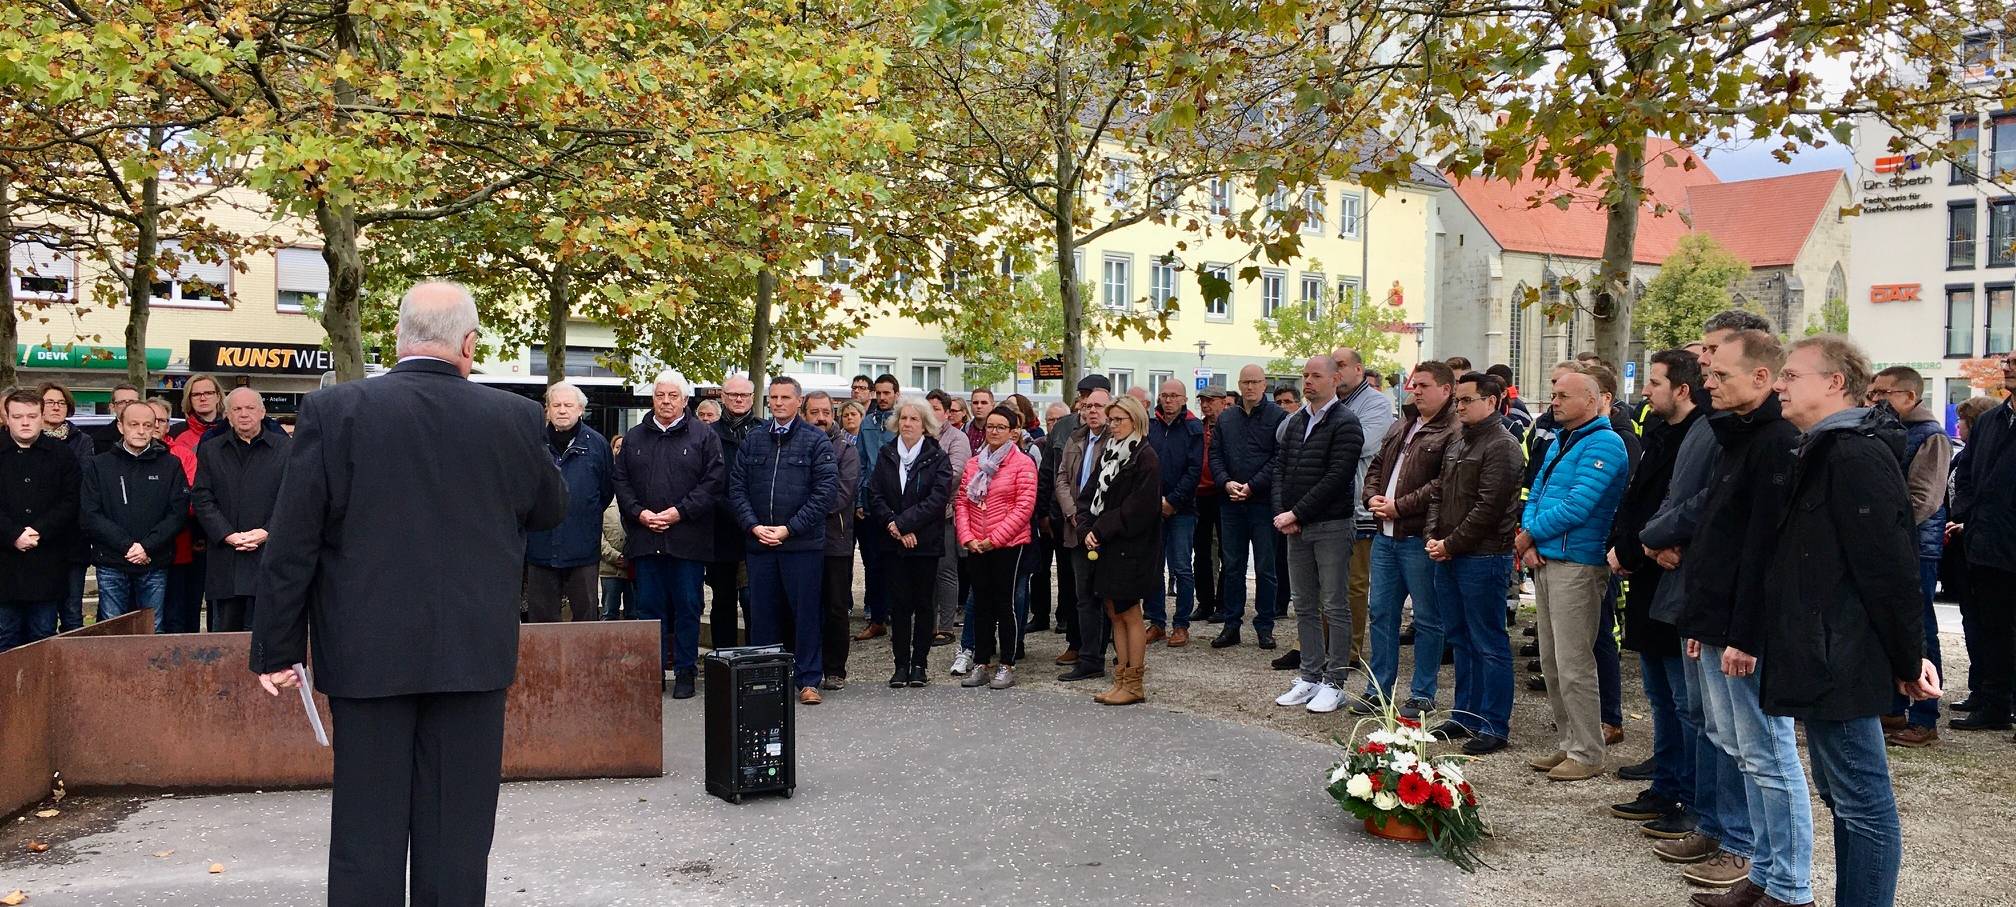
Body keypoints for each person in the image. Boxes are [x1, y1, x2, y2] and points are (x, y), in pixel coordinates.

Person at [251, 282, 567, 907]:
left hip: (366, 653)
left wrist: (277, 648)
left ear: (397, 338)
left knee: (366, 829)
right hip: (471, 653)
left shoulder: (335, 412)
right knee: (457, 833)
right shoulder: (513, 416)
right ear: (469, 345)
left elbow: (293, 542)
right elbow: (551, 509)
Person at [1751, 335, 1933, 907]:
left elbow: (1889, 567)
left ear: (1834, 383)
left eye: (1792, 376)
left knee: (1865, 806)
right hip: (1823, 651)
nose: (1779, 385)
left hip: (1843, 656)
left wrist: (1909, 659)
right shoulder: (1825, 446)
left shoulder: (1854, 452)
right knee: (1844, 797)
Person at [1682, 328, 1811, 905]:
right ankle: (1763, 873)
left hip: (1746, 630)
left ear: (1762, 378)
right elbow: (1718, 537)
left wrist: (1743, 634)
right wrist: (1701, 624)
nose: (1707, 380)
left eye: (1721, 374)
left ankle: (1789, 885)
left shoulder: (1777, 442)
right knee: (1741, 750)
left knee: (1770, 756)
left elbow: (1765, 551)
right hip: (1718, 622)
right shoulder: (1737, 437)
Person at [1603, 350, 1708, 832]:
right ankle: (1666, 783)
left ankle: (1686, 795)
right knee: (1660, 694)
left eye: (1656, 383)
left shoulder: (1702, 435)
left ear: (1682, 390)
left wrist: (1649, 546)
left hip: (1676, 579)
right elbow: (1640, 499)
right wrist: (1630, 548)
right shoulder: (1661, 433)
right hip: (1648, 574)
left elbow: (1686, 506)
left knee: (1685, 701)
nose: (1646, 391)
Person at [1517, 367, 1628, 783]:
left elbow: (1579, 506)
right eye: (1553, 394)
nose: (1554, 402)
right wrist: (1529, 539)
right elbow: (1538, 493)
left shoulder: (1607, 443)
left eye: (1564, 395)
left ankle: (1587, 751)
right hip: (1549, 558)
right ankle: (1568, 743)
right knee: (1552, 660)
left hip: (1578, 564)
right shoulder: (1564, 440)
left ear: (1591, 400)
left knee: (1575, 661)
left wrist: (1528, 536)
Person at [1423, 371, 1523, 755]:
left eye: (1467, 400)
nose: (1460, 407)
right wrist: (1434, 537)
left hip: (1483, 557)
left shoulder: (1502, 445)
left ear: (1492, 401)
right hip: (1449, 554)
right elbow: (1438, 494)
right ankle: (1464, 714)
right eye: (1458, 401)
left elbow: (1489, 507)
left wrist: (1450, 543)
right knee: (1460, 639)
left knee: (1489, 642)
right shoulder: (1457, 441)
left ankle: (1494, 723)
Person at [730, 376, 840, 706]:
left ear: (798, 401)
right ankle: (766, 680)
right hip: (760, 544)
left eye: (784, 398)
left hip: (801, 546)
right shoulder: (754, 439)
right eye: (773, 397)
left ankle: (808, 680)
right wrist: (753, 526)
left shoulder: (815, 441)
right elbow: (737, 488)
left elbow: (824, 495)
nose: (777, 403)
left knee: (805, 614)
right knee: (762, 614)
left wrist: (789, 529)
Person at [614, 372, 723, 699]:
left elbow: (714, 483)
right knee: (649, 610)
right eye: (660, 395)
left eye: (673, 396)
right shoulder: (634, 438)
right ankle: (653, 673)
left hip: (687, 540)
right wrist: (639, 513)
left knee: (688, 607)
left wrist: (680, 512)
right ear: (652, 399)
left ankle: (686, 672)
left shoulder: (704, 436)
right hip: (646, 540)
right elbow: (621, 482)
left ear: (685, 400)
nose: (666, 401)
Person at [1358, 361, 1458, 716]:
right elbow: (1376, 467)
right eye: (1414, 385)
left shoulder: (1453, 431)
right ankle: (1378, 689)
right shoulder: (1403, 424)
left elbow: (1443, 484)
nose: (1415, 390)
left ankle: (1423, 692)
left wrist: (1399, 506)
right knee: (1381, 613)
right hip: (1385, 536)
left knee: (1428, 618)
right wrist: (1372, 498)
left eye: (1424, 386)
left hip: (1418, 536)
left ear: (1446, 390)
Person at [1270, 355, 1367, 713]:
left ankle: (1335, 681)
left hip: (1330, 526)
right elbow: (1281, 468)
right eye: (1304, 375)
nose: (1307, 382)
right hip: (1296, 526)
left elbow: (1337, 477)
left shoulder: (1346, 423)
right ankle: (1309, 675)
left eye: (1315, 376)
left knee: (1335, 604)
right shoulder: (1297, 423)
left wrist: (1297, 512)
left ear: (1335, 379)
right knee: (1304, 603)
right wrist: (1285, 513)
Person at [1866, 367, 1952, 748]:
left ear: (1909, 395)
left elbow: (1924, 499)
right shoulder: (1884, 429)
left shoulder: (1930, 435)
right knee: (1888, 624)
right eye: (1872, 393)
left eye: (1883, 393)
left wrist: (1886, 531)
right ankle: (1893, 706)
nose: (1875, 399)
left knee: (1920, 630)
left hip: (1916, 545)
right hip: (1890, 543)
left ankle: (1924, 717)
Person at [1078, 394, 1163, 705]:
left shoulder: (1145, 456)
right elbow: (1088, 496)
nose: (1112, 425)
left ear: (1135, 420)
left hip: (1131, 546)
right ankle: (1121, 679)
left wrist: (1100, 530)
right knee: (1114, 612)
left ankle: (1134, 682)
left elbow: (1138, 509)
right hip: (1106, 544)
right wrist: (1086, 528)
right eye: (1111, 420)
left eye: (1118, 420)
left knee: (1130, 612)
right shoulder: (1110, 452)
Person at [865, 397, 952, 687]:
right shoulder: (887, 453)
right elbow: (875, 495)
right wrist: (894, 526)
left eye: (914, 419)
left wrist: (904, 524)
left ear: (925, 425)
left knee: (924, 605)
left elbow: (937, 499)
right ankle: (900, 665)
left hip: (924, 543)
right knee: (899, 606)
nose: (908, 424)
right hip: (893, 543)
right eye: (904, 418)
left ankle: (920, 665)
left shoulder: (937, 456)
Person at [1951, 349, 2016, 736]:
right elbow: (1969, 473)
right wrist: (1968, 517)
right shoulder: (1993, 420)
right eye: (2007, 360)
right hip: (1989, 547)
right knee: (1992, 628)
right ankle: (1993, 702)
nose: (2007, 366)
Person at [191, 388, 290, 633]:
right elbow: (202, 498)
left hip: (269, 556)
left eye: (250, 408)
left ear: (263, 412)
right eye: (237, 409)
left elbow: (292, 499)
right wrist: (227, 535)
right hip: (226, 559)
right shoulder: (211, 450)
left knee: (269, 640)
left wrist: (267, 532)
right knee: (225, 639)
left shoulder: (286, 449)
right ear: (228, 415)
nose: (244, 414)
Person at [955, 406, 1038, 689]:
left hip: (1007, 545)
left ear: (1013, 432)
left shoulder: (1023, 463)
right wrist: (967, 537)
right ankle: (981, 663)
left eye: (1001, 427)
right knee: (980, 604)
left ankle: (1007, 664)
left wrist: (996, 538)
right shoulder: (974, 463)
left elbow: (1023, 507)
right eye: (990, 426)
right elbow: (963, 503)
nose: (994, 431)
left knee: (1006, 604)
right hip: (977, 543)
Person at [81, 402, 187, 620]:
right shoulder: (99, 465)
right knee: (113, 628)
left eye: (147, 425)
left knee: (152, 627)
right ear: (121, 426)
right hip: (111, 560)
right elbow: (90, 513)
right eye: (134, 424)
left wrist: (147, 547)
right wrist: (126, 546)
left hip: (153, 560)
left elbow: (177, 513)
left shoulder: (171, 464)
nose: (141, 430)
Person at [523, 382, 614, 624]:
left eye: (568, 405)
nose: (562, 410)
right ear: (547, 410)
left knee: (585, 620)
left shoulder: (597, 446)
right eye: (556, 405)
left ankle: (585, 664)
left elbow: (605, 492)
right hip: (540, 548)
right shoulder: (532, 443)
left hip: (583, 550)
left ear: (581, 410)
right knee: (541, 622)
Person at [1210, 364, 1285, 649]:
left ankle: (1265, 626)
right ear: (1239, 385)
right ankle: (1232, 625)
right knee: (1232, 566)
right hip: (1230, 503)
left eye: (1255, 382)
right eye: (1245, 382)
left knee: (1266, 567)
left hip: (1263, 503)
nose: (1250, 387)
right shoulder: (1226, 418)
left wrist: (1253, 485)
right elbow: (1215, 455)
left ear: (1264, 384)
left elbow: (1280, 458)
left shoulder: (1278, 417)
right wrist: (1226, 482)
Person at [0, 388, 79, 652]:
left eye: (31, 416)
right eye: (18, 416)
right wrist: (13, 534)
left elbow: (71, 500)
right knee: (5, 635)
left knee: (43, 635)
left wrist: (38, 531)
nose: (25, 422)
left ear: (41, 417)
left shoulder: (62, 455)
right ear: (6, 417)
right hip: (4, 563)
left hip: (47, 560)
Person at [1056, 383, 1115, 681]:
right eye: (1088, 406)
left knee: (1108, 595)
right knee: (1083, 597)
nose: (1092, 411)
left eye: (1099, 406)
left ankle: (1112, 654)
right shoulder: (1074, 439)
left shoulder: (1117, 442)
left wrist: (1094, 523)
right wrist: (1074, 515)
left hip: (1105, 531)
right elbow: (1062, 479)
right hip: (1077, 528)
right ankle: (1089, 657)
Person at [807, 391, 861, 691]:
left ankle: (835, 669)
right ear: (805, 414)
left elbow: (843, 493)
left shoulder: (846, 449)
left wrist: (804, 512)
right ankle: (807, 667)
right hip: (800, 540)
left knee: (837, 607)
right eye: (814, 412)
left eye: (826, 412)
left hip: (835, 539)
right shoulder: (797, 442)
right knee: (805, 607)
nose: (820, 418)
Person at [1146, 378, 1204, 646]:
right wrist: (1154, 500)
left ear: (1184, 399)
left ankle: (1181, 624)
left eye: (1173, 396)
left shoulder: (1193, 427)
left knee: (1181, 567)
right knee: (1154, 566)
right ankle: (1156, 621)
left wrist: (1172, 501)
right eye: (1164, 395)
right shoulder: (1151, 425)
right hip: (1152, 507)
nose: (1168, 400)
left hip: (1182, 509)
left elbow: (1194, 470)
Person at [164, 374, 222, 635]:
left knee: (220, 604)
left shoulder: (231, 428)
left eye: (208, 393)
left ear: (218, 396)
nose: (203, 398)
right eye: (196, 394)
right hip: (188, 532)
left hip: (224, 529)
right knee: (186, 602)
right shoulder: (176, 433)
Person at [708, 377, 760, 647]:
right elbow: (708, 483)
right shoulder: (708, 434)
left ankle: (756, 659)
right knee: (723, 600)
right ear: (723, 397)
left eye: (744, 395)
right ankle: (723, 659)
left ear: (753, 397)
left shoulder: (765, 431)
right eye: (733, 395)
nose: (739, 399)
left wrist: (753, 519)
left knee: (755, 600)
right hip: (722, 529)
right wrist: (739, 515)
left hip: (759, 529)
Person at [853, 374, 901, 642]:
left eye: (887, 393)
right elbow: (860, 463)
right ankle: (877, 618)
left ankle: (901, 613)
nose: (882, 398)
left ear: (896, 393)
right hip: (871, 505)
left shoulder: (904, 420)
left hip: (897, 505)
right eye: (878, 393)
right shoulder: (868, 423)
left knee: (898, 562)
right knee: (873, 564)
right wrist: (860, 500)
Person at [928, 389, 972, 649]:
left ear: (947, 413)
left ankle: (945, 626)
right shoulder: (919, 436)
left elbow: (955, 473)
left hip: (945, 511)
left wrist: (925, 487)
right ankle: (927, 623)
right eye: (928, 407)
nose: (931, 413)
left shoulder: (958, 438)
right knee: (925, 572)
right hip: (920, 516)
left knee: (945, 570)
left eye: (936, 408)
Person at [1193, 387, 1229, 628]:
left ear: (1223, 402)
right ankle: (1204, 602)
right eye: (1203, 401)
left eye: (1211, 401)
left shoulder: (1230, 425)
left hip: (1223, 493)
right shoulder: (1197, 427)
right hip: (1200, 494)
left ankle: (1224, 603)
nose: (1206, 406)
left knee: (1228, 552)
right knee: (1202, 552)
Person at [598, 441, 630, 622]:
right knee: (609, 613)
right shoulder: (605, 491)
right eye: (617, 447)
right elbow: (595, 530)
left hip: (633, 567)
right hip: (609, 568)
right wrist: (614, 556)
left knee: (635, 614)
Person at [35, 382, 96, 463]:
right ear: (38, 405)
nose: (56, 408)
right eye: (50, 402)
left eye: (62, 403)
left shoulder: (82, 441)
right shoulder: (28, 436)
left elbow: (85, 472)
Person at [89, 383, 143, 454]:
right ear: (112, 407)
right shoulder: (98, 439)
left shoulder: (151, 434)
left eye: (132, 402)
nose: (127, 406)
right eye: (121, 402)